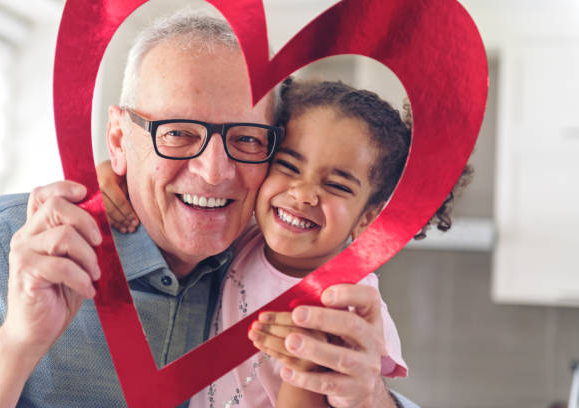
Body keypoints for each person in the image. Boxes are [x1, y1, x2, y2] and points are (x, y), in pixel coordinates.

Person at [0, 10, 423, 408]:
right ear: (120, 140)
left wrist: (368, 399)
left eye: (245, 139)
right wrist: (16, 344)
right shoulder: (12, 243)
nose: (213, 173)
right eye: (178, 133)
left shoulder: (262, 255)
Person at [99, 78, 411, 407]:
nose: (303, 194)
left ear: (367, 218)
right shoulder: (248, 237)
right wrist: (113, 174)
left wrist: (304, 363)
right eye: (288, 166)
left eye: (337, 185)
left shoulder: (350, 308)